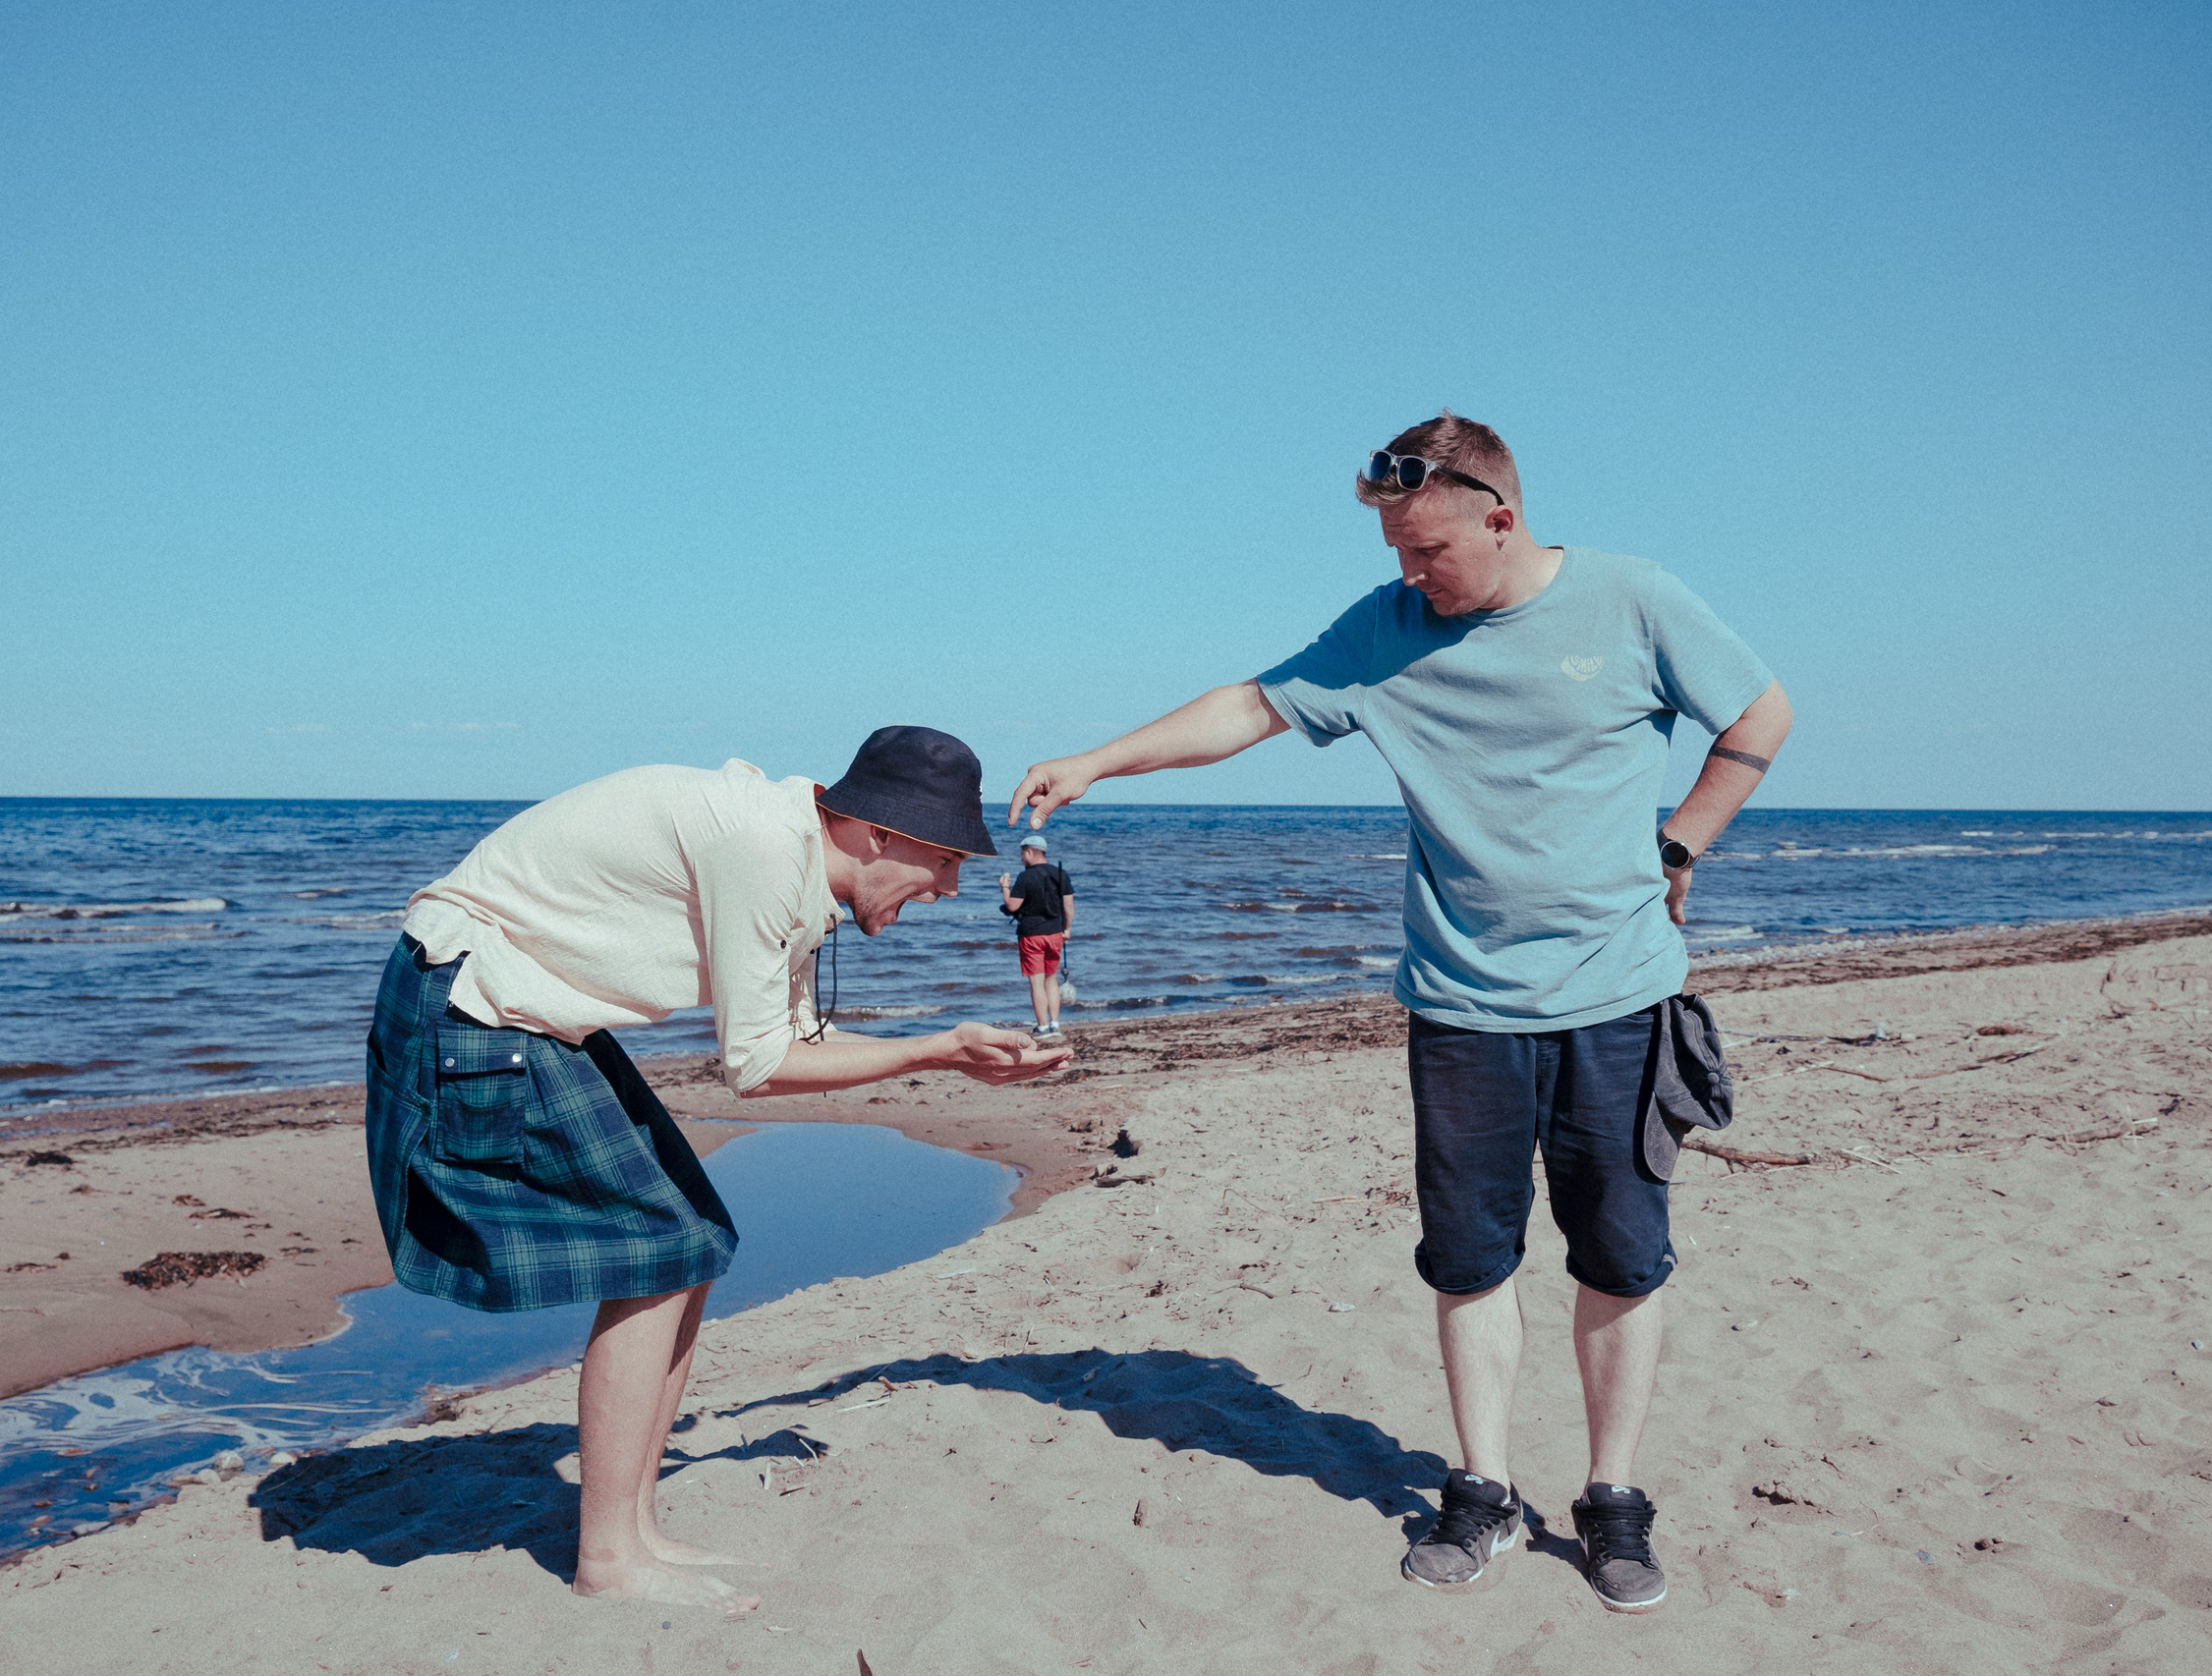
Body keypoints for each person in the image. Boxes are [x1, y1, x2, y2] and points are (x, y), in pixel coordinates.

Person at [1010, 413, 1791, 1614]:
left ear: (1501, 514)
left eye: (1428, 551)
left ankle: (1612, 1499)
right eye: (1396, 552)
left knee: (1621, 1261)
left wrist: (1680, 839)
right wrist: (1096, 761)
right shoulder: (1385, 630)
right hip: (1461, 1004)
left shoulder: (1634, 601)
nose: (1410, 575)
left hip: (1619, 998)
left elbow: (1759, 718)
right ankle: (1479, 1485)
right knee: (1470, 1260)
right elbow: (1249, 708)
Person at [363, 725, 1068, 1613]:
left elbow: (798, 1040)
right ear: (878, 834)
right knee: (656, 1250)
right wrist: (934, 1051)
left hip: (523, 1013)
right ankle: (609, 1560)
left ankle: (633, 1530)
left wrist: (950, 1048)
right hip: (473, 1004)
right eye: (946, 861)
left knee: (690, 1241)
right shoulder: (765, 848)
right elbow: (757, 1066)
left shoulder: (794, 857)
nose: (952, 889)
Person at [997, 832, 1075, 1035]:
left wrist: (1004, 887)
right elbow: (1068, 906)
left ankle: (1042, 1026)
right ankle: (1055, 1024)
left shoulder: (1025, 877)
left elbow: (1012, 905)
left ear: (1030, 852)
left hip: (1031, 934)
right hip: (1055, 932)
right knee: (1051, 978)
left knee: (1036, 981)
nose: (1022, 859)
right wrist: (1067, 928)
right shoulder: (1061, 874)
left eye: (1022, 854)